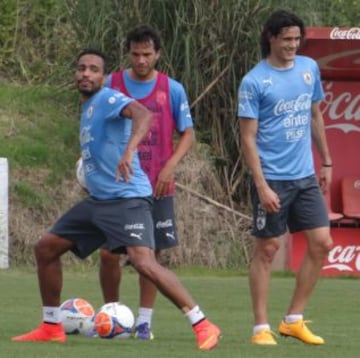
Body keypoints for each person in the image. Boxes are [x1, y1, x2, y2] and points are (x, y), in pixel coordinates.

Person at [12, 49, 220, 351]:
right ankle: (51, 326)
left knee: (143, 262)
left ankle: (203, 324)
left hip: (127, 199)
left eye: (93, 69)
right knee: (46, 249)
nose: (86, 74)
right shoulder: (88, 109)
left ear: (102, 76)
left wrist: (129, 151)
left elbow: (144, 114)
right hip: (99, 201)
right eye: (81, 68)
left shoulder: (107, 98)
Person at [237, 10, 333, 346]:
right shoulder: (254, 81)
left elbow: (315, 115)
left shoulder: (309, 69)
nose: (292, 45)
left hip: (305, 175)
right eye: (286, 39)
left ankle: (293, 320)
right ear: (271, 38)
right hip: (272, 178)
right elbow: (248, 138)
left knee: (322, 244)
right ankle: (260, 328)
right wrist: (261, 185)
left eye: (296, 39)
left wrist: (327, 163)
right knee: (267, 249)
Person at [99, 24, 195, 340]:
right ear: (128, 53)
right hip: (116, 186)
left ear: (158, 55)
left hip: (157, 185)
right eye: (136, 54)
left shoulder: (173, 89)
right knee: (108, 254)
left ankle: (143, 323)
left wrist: (169, 167)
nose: (141, 61)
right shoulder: (110, 84)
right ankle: (111, 315)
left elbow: (188, 133)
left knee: (150, 259)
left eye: (147, 55)